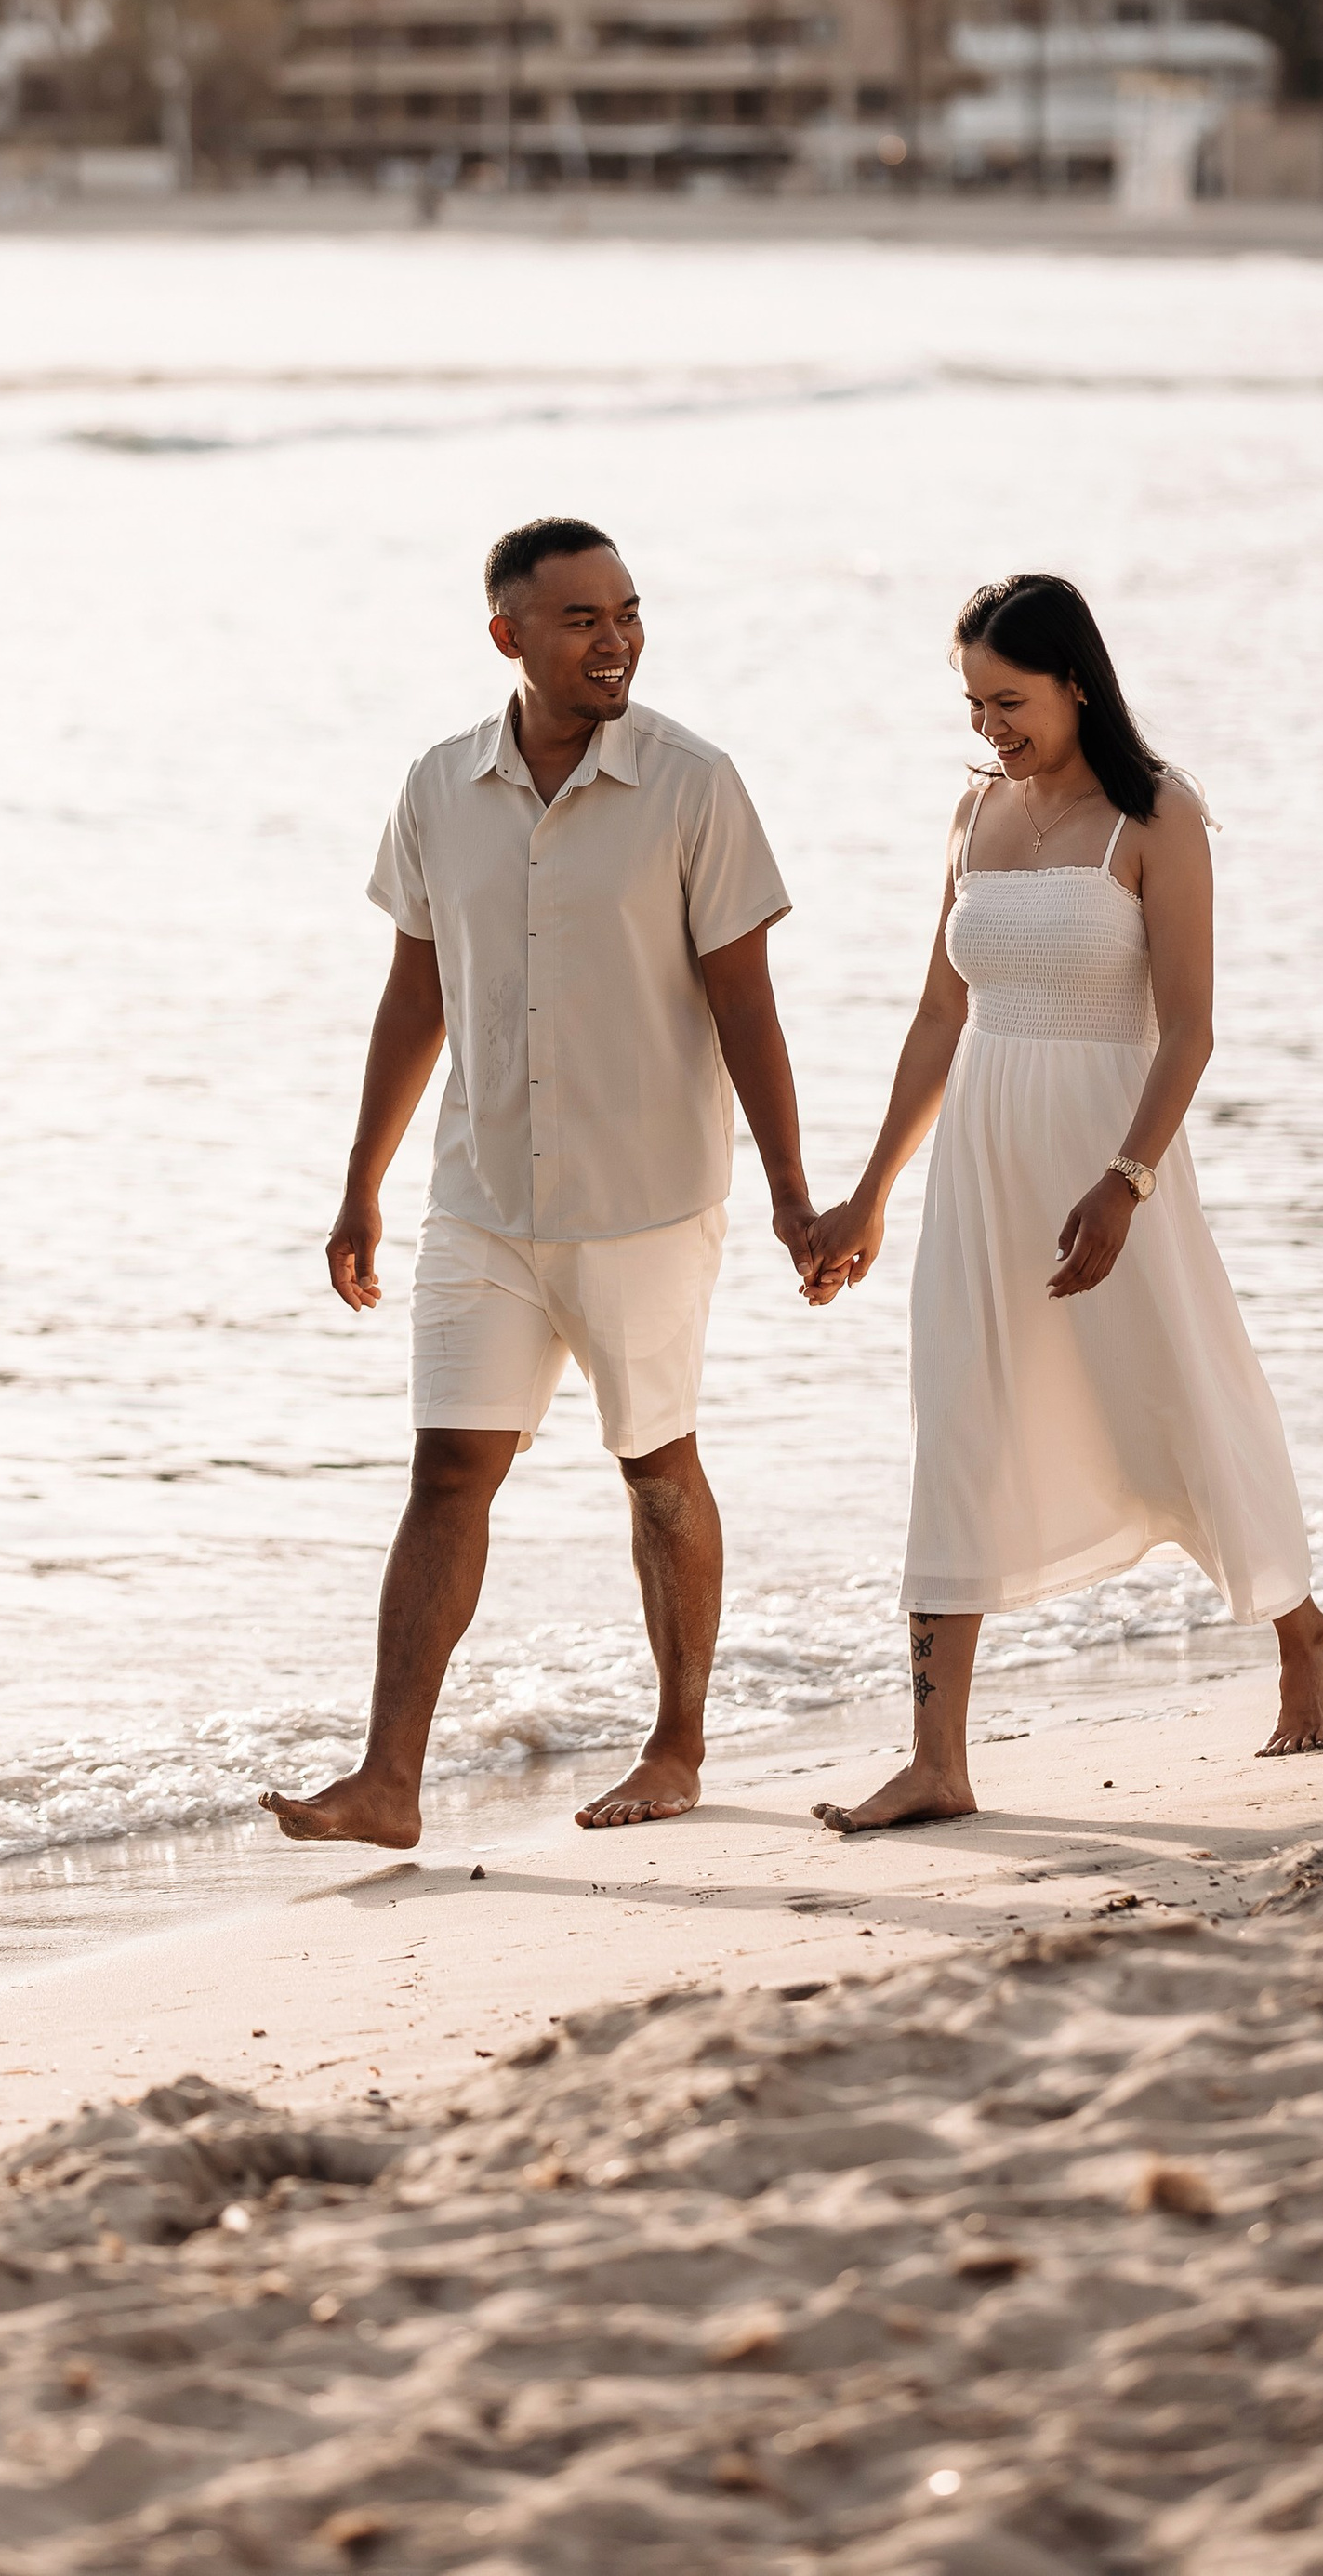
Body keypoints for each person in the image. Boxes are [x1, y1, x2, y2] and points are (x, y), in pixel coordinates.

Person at [261, 517, 817, 1847]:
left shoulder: (693, 782)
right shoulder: (438, 787)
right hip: (484, 1199)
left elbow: (745, 1002)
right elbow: (416, 992)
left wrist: (797, 1198)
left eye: (627, 611)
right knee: (447, 1471)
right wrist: (361, 1184)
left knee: (657, 1469)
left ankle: (676, 1746)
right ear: (509, 634)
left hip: (646, 1198)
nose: (615, 637)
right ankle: (388, 1780)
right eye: (581, 618)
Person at [803, 572, 1323, 1829]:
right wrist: (872, 1190)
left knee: (1173, 1396)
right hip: (979, 1165)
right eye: (974, 704)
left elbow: (1194, 1027)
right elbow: (942, 1012)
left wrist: (1127, 1181)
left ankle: (1302, 1630)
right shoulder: (971, 814)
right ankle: (939, 1758)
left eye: (1012, 701)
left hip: (1112, 1163)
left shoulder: (1156, 815)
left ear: (1076, 683)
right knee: (959, 1422)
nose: (991, 728)